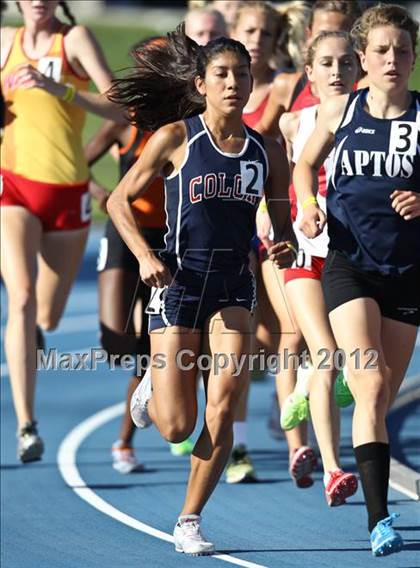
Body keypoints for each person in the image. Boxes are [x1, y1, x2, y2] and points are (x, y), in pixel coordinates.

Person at [107, 29, 293, 555]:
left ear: (253, 83)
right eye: (222, 74)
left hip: (235, 286)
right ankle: (150, 389)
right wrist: (144, 257)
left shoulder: (266, 149)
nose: (233, 83)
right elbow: (119, 202)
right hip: (179, 283)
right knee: (176, 426)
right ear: (201, 84)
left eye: (241, 74)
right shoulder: (176, 138)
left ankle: (189, 519)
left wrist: (281, 246)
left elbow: (281, 229)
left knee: (225, 402)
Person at [294, 3, 419, 556]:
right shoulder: (340, 110)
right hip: (350, 266)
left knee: (381, 396)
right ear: (364, 58)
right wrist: (306, 204)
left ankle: (354, 403)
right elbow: (303, 164)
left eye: (404, 50)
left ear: (414, 57)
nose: (393, 59)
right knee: (369, 385)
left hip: (409, 275)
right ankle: (379, 520)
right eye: (383, 50)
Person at [0, 0, 115, 462]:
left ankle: (35, 333)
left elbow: (119, 108)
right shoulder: (4, 41)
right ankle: (27, 425)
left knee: (46, 317)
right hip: (13, 187)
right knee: (21, 299)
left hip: (68, 193)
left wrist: (59, 88)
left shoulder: (76, 39)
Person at [85, 40, 193, 473]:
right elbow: (78, 162)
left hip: (167, 236)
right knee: (115, 344)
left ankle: (124, 441)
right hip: (124, 228)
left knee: (152, 345)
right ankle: (147, 364)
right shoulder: (125, 121)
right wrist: (100, 194)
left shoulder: (184, 124)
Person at [280, 30, 359, 504]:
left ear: (360, 68)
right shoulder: (294, 123)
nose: (337, 72)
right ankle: (332, 469)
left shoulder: (379, 121)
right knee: (326, 353)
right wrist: (279, 215)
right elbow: (278, 175)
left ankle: (309, 382)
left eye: (346, 63)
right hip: (307, 257)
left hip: (356, 260)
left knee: (366, 366)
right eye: (326, 63)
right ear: (309, 72)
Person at [225, 0, 283, 484]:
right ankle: (239, 446)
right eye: (250, 29)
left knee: (273, 339)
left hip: (273, 226)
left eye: (266, 31)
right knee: (244, 343)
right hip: (232, 233)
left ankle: (282, 389)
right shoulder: (220, 87)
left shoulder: (285, 88)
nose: (258, 38)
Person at [257, 0, 361, 139]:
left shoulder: (367, 90)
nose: (331, 42)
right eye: (323, 34)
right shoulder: (288, 86)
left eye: (340, 35)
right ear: (309, 33)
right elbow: (262, 136)